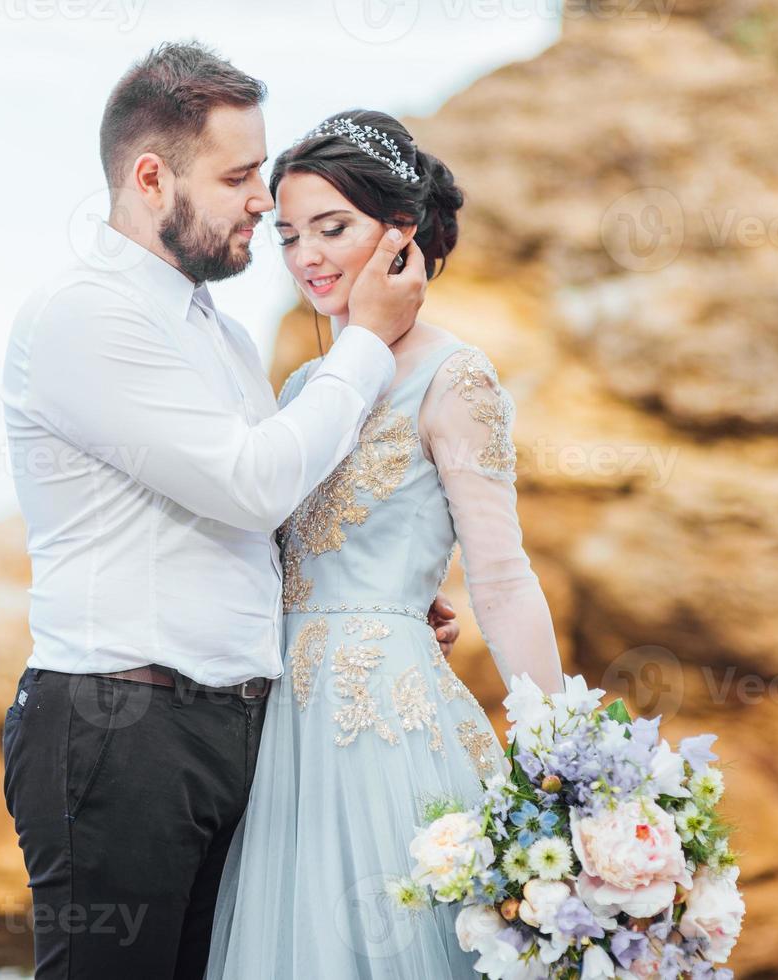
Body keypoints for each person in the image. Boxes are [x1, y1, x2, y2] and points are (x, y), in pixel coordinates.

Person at [0, 43, 456, 979]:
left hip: (230, 732)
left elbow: (257, 518)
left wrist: (369, 589)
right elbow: (253, 482)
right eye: (239, 175)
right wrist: (366, 339)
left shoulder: (218, 332)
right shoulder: (85, 316)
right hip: (119, 728)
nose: (263, 199)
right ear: (152, 176)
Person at [204, 109, 566, 979]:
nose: (307, 258)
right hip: (275, 726)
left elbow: (504, 578)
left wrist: (561, 750)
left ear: (402, 237)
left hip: (386, 729)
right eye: (289, 236)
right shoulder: (303, 385)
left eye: (334, 228)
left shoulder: (457, 376)